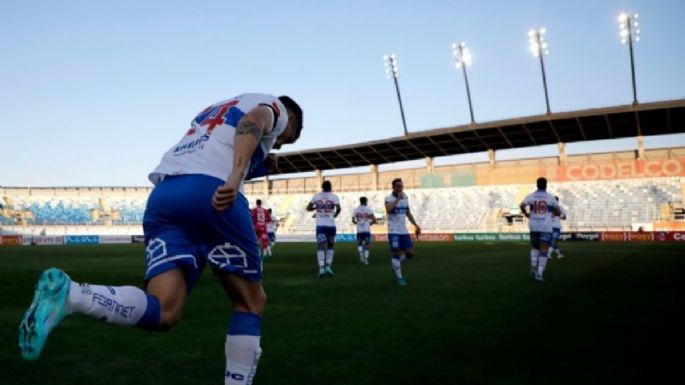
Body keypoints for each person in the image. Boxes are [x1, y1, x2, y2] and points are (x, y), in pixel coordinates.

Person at [18, 93, 303, 385]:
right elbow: (253, 121)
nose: (279, 142)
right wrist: (235, 177)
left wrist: (257, 164)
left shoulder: (210, 111)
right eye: (286, 138)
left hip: (165, 196)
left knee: (164, 310)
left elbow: (220, 144)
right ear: (290, 118)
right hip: (213, 194)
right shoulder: (275, 106)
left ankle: (72, 295)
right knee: (249, 302)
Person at [519, 177, 561, 283]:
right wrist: (551, 214)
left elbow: (522, 205)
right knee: (543, 250)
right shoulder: (550, 197)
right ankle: (539, 274)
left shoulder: (531, 196)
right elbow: (558, 212)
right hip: (545, 227)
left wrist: (525, 213)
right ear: (546, 185)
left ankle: (533, 264)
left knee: (534, 247)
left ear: (537, 185)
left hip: (533, 225)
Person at [384, 178, 421, 286]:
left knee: (410, 253)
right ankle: (399, 277)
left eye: (401, 186)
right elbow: (388, 210)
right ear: (393, 187)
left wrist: (416, 225)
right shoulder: (388, 198)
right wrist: (397, 200)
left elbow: (408, 213)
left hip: (403, 231)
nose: (400, 188)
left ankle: (396, 265)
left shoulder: (405, 198)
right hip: (393, 231)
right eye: (398, 186)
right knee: (396, 253)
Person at [306, 180, 341, 277]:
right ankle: (328, 267)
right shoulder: (334, 196)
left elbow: (308, 208)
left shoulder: (316, 196)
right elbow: (338, 208)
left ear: (322, 187)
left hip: (320, 226)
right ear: (330, 187)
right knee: (330, 246)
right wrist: (335, 214)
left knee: (321, 246)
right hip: (331, 225)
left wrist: (315, 208)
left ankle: (321, 268)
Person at [352, 196, 376, 265]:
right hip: (366, 230)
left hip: (359, 230)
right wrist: (370, 223)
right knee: (366, 245)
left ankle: (361, 256)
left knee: (359, 244)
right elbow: (374, 219)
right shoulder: (369, 209)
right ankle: (365, 260)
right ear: (365, 201)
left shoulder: (356, 210)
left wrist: (358, 223)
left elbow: (353, 220)